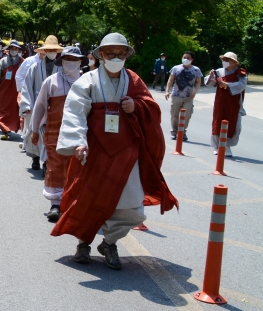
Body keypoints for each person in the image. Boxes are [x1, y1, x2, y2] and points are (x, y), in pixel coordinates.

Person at [52, 33, 178, 270]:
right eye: (111, 54)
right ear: (101, 55)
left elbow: (150, 106)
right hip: (93, 151)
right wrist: (78, 142)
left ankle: (110, 242)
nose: (116, 58)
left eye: (121, 54)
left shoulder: (133, 80)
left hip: (126, 152)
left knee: (131, 207)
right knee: (87, 198)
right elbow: (74, 114)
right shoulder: (86, 81)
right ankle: (83, 243)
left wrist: (136, 106)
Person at [30, 46, 84, 222]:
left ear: (80, 61)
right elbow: (40, 106)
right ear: (62, 61)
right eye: (68, 59)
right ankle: (55, 204)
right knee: (55, 168)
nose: (71, 62)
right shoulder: (52, 82)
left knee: (77, 168)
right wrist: (34, 129)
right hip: (55, 132)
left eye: (75, 59)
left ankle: (73, 203)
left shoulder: (87, 83)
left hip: (80, 134)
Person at [19, 36, 62, 170]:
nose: (51, 52)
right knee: (34, 131)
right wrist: (26, 105)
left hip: (54, 106)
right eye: (49, 49)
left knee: (50, 134)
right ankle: (35, 158)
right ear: (44, 51)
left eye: (54, 50)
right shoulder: (35, 67)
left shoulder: (61, 69)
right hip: (36, 104)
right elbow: (27, 87)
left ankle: (47, 162)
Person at [204, 51, 247, 157]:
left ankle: (227, 146)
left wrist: (227, 84)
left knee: (235, 125)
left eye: (227, 60)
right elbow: (210, 84)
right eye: (224, 60)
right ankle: (216, 146)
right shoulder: (219, 71)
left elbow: (241, 85)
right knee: (217, 122)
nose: (225, 62)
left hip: (234, 103)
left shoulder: (240, 73)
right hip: (220, 101)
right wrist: (210, 76)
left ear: (234, 62)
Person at [0, 39, 25, 141]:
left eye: (15, 48)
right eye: (12, 48)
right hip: (3, 90)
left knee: (14, 110)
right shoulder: (3, 61)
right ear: (8, 50)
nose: (13, 50)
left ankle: (10, 128)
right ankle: (5, 129)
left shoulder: (23, 62)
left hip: (16, 90)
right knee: (2, 109)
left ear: (18, 50)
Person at [165, 51, 202, 142]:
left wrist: (195, 91)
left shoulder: (196, 70)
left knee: (187, 115)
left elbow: (198, 82)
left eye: (188, 58)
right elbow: (170, 80)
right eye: (184, 57)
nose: (185, 59)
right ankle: (174, 132)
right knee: (175, 114)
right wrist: (167, 91)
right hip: (176, 95)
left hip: (189, 97)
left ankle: (183, 132)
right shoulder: (176, 68)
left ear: (192, 60)